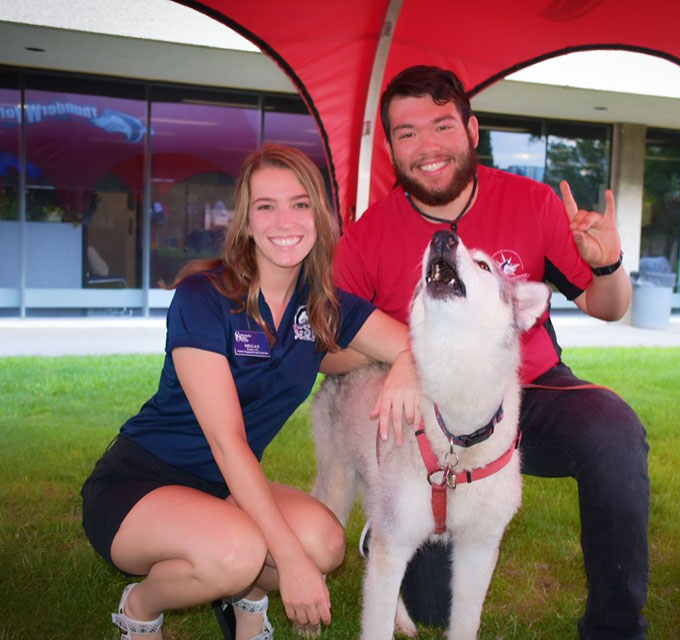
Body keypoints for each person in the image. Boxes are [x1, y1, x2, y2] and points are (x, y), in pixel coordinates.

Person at [323, 66, 649, 639]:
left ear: (472, 130)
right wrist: (408, 354)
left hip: (530, 386)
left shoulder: (533, 201)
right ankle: (388, 526)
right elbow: (325, 351)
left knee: (614, 431)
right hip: (431, 413)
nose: (427, 147)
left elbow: (609, 305)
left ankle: (615, 629)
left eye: (442, 125)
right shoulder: (368, 235)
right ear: (391, 150)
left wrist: (608, 263)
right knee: (426, 606)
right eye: (407, 133)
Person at [81, 143, 419, 640]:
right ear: (246, 221)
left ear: (319, 216)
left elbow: (414, 344)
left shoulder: (323, 306)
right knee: (241, 554)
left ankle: (246, 594)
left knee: (326, 545)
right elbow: (227, 442)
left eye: (300, 204)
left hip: (226, 489)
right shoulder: (203, 299)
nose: (285, 220)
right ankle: (140, 605)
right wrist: (287, 562)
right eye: (267, 206)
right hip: (140, 483)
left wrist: (408, 365)